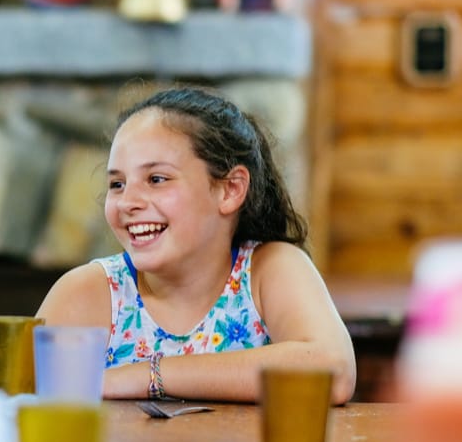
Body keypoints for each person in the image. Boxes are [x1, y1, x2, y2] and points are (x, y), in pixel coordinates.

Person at [36, 86, 355, 404]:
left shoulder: (269, 270)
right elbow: (22, 410)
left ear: (230, 190)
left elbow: (333, 371)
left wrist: (147, 375)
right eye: (117, 184)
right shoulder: (87, 293)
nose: (127, 202)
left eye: (157, 179)